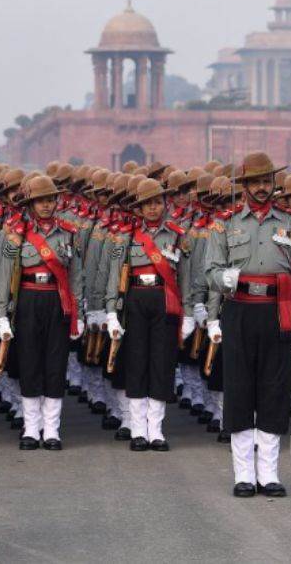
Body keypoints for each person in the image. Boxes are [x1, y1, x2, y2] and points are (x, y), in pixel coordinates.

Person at [205, 152, 291, 498]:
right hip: (240, 310)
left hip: (277, 311)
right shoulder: (225, 223)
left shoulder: (289, 221)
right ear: (243, 186)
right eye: (256, 182)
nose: (262, 188)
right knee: (241, 390)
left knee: (274, 391)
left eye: (267, 181)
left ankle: (269, 474)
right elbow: (209, 271)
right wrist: (225, 278)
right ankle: (243, 474)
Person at [0, 175, 84, 451]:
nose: (46, 205)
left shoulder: (68, 232)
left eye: (50, 199)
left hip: (57, 301)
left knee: (56, 364)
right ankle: (31, 429)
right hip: (28, 301)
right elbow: (4, 275)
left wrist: (79, 313)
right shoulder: (15, 232)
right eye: (41, 200)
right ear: (30, 203)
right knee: (30, 362)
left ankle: (52, 430)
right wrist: (1, 314)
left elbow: (76, 276)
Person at [102, 178, 191, 451]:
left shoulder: (177, 235)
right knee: (137, 362)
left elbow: (186, 278)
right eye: (147, 204)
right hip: (136, 300)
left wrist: (189, 312)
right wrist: (111, 312)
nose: (153, 208)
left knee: (161, 364)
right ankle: (138, 430)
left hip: (166, 300)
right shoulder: (127, 236)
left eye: (157, 202)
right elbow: (115, 276)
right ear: (138, 208)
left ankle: (156, 431)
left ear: (164, 204)